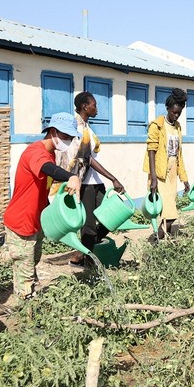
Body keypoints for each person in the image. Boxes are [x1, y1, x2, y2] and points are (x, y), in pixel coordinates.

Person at [4, 113, 82, 300]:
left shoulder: (50, 153)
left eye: (71, 138)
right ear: (53, 132)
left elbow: (43, 185)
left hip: (35, 220)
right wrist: (71, 176)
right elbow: (48, 168)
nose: (69, 141)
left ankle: (22, 278)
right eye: (66, 137)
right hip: (22, 221)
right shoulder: (35, 152)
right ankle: (24, 314)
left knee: (33, 261)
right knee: (25, 273)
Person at [65, 92, 126, 268]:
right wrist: (113, 178)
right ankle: (88, 263)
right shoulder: (77, 127)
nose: (96, 108)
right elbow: (88, 160)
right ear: (85, 106)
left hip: (95, 182)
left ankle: (81, 253)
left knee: (110, 217)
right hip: (84, 184)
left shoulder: (87, 127)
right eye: (94, 105)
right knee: (89, 226)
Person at [143, 88, 190, 239]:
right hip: (160, 171)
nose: (176, 116)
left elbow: (179, 154)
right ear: (168, 108)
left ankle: (163, 238)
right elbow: (151, 150)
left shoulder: (178, 127)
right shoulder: (157, 125)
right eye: (174, 112)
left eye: (179, 113)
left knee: (168, 208)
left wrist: (184, 179)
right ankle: (158, 236)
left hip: (172, 173)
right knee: (171, 210)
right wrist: (154, 177)